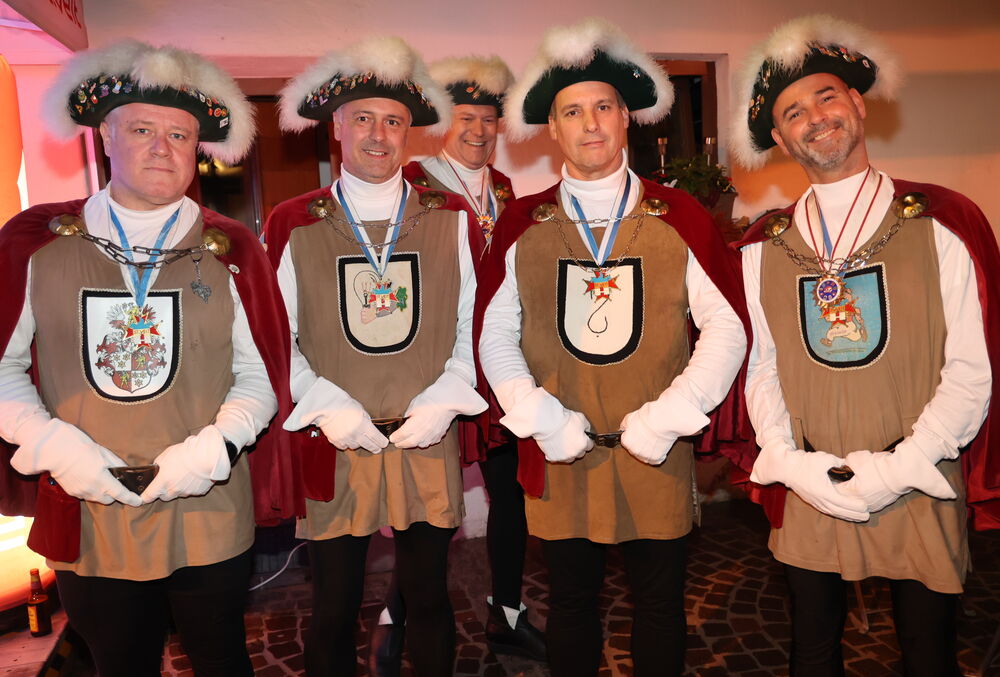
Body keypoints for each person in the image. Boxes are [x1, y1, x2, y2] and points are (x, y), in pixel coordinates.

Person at [0, 40, 297, 676]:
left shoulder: (233, 247)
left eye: (180, 135)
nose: (163, 148)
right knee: (120, 664)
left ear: (198, 150)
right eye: (142, 129)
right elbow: (1, 368)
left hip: (206, 502)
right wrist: (58, 449)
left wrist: (212, 450)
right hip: (89, 506)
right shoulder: (37, 243)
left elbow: (261, 374)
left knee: (221, 659)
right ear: (105, 135)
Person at [475, 18, 749, 677]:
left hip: (656, 450)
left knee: (660, 606)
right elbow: (493, 331)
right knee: (570, 605)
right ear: (553, 127)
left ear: (626, 117)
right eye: (573, 111)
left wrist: (674, 414)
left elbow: (727, 325)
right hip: (561, 450)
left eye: (603, 106)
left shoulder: (679, 215)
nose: (590, 123)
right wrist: (537, 415)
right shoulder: (523, 222)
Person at [732, 15, 1000, 676]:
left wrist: (905, 463)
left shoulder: (942, 220)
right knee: (811, 650)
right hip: (811, 480)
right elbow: (761, 366)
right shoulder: (761, 247)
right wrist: (787, 460)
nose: (815, 118)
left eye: (826, 97)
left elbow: (973, 367)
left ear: (857, 102)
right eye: (794, 112)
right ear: (779, 138)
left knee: (929, 652)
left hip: (919, 475)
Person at [264, 36, 487, 676]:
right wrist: (324, 405)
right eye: (363, 118)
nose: (378, 135)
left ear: (408, 133)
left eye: (393, 121)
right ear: (336, 126)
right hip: (335, 441)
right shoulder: (292, 222)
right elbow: (274, 338)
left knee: (430, 599)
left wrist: (446, 399)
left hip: (425, 436)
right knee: (333, 607)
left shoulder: (450, 218)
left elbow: (475, 322)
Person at [362, 55, 546, 671]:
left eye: (489, 119)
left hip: (500, 360)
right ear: (443, 121)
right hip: (437, 365)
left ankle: (508, 613)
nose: (479, 130)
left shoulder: (504, 188)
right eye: (466, 117)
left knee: (510, 491)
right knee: (425, 505)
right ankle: (398, 613)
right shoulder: (412, 182)